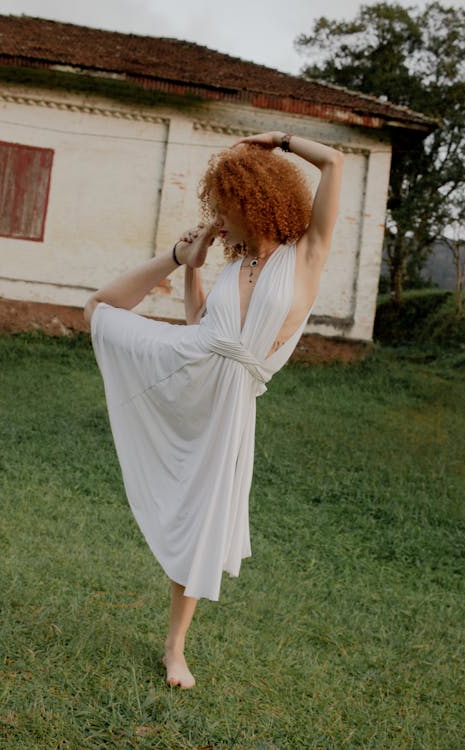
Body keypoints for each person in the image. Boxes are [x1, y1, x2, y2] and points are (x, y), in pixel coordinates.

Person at [84, 131, 343, 689]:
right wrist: (192, 262)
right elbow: (201, 326)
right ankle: (171, 257)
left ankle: (175, 649)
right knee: (100, 310)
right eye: (218, 209)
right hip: (193, 365)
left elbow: (335, 161)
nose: (222, 219)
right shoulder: (234, 264)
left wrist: (278, 141)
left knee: (203, 518)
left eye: (228, 208)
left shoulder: (308, 254)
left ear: (256, 201)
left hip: (231, 403)